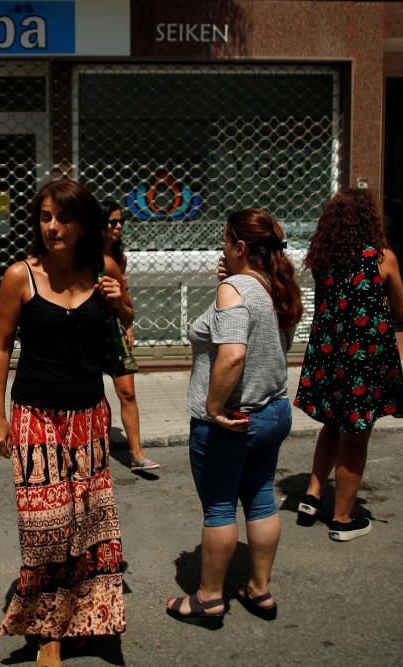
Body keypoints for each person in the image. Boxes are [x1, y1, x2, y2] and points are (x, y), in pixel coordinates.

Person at [0, 180, 133, 667]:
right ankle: (47, 631)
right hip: (34, 418)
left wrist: (120, 301)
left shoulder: (103, 269)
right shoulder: (20, 277)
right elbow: (1, 346)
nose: (53, 226)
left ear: (83, 225)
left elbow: (125, 326)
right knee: (45, 527)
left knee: (88, 525)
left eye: (63, 218)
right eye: (46, 217)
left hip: (89, 417)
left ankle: (87, 617)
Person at [165, 209, 302, 628]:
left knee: (220, 507)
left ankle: (208, 598)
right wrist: (229, 279)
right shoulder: (275, 286)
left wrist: (211, 406)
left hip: (234, 419)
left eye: (225, 241)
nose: (221, 248)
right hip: (274, 410)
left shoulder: (236, 290)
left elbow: (234, 353)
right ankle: (259, 589)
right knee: (260, 498)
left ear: (240, 247)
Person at [294, 188, 403, 542]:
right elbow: (400, 310)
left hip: (328, 355)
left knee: (332, 422)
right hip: (364, 359)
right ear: (370, 219)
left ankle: (312, 496)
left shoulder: (324, 257)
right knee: (356, 438)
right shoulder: (381, 258)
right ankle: (342, 519)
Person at [101, 200, 160, 471]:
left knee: (127, 391)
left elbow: (125, 297)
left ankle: (136, 454)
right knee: (92, 395)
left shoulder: (117, 259)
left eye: (120, 221)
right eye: (112, 222)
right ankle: (97, 447)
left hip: (113, 327)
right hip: (86, 331)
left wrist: (128, 326)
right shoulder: (81, 259)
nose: (118, 226)